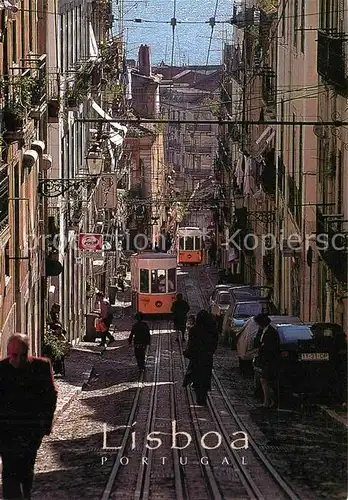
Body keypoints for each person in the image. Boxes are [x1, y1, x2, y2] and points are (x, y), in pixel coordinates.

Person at [0, 333, 57, 500]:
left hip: (30, 431)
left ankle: (26, 495)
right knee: (9, 471)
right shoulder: (2, 370)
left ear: (26, 353)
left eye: (18, 355)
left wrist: (45, 425)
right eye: (11, 354)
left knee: (26, 468)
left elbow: (50, 397)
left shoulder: (41, 367)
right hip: (6, 432)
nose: (14, 359)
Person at [183, 310, 218, 405]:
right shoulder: (212, 330)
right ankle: (203, 395)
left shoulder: (194, 330)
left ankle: (199, 396)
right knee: (205, 376)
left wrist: (187, 353)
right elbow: (215, 345)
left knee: (197, 376)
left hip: (196, 358)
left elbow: (191, 345)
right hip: (207, 358)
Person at [253, 313, 280, 409]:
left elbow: (269, 347)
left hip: (270, 360)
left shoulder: (271, 332)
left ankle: (267, 402)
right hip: (264, 360)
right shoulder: (262, 331)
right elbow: (256, 343)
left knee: (264, 380)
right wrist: (261, 345)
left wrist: (262, 346)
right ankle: (270, 401)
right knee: (266, 381)